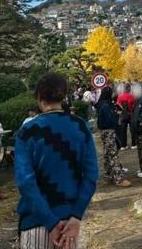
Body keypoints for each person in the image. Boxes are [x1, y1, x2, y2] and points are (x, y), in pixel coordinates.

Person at [15, 73, 98, 249]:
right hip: (70, 223)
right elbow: (91, 176)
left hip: (35, 220)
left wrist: (50, 222)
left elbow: (25, 182)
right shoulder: (81, 127)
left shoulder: (27, 131)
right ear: (64, 95)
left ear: (39, 96)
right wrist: (77, 215)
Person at [97, 86, 131, 187]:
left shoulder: (102, 104)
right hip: (109, 131)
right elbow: (111, 120)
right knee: (112, 154)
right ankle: (118, 178)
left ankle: (109, 176)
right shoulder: (106, 106)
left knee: (107, 154)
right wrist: (117, 115)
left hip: (104, 131)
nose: (114, 94)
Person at [117, 84, 137, 149]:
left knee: (123, 130)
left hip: (123, 115)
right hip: (131, 115)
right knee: (133, 130)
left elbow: (118, 106)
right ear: (129, 89)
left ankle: (123, 145)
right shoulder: (132, 96)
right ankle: (133, 144)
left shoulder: (120, 97)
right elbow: (135, 105)